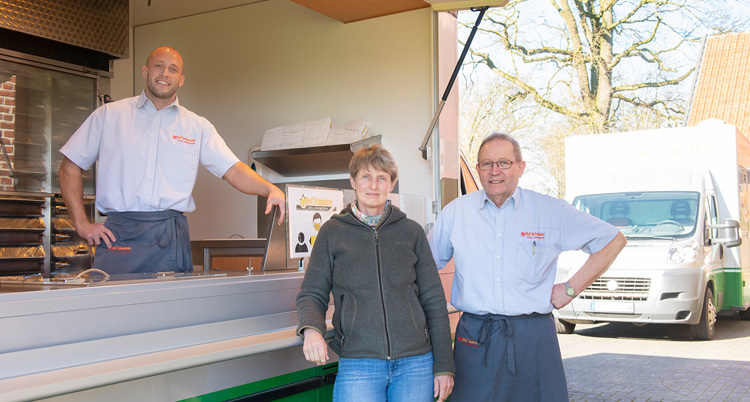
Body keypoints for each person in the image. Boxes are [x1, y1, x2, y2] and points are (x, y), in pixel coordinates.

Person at [428, 132, 626, 401]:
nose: (494, 171)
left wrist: (570, 289)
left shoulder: (550, 211)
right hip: (475, 338)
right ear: (477, 169)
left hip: (533, 338)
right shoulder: (456, 213)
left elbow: (613, 240)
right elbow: (424, 265)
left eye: (504, 163)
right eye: (486, 164)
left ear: (520, 167)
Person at [58, 46, 285, 275]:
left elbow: (233, 170)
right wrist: (82, 223)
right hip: (119, 235)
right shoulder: (109, 115)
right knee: (115, 307)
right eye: (159, 66)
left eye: (173, 69)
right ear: (146, 71)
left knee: (172, 309)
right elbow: (70, 166)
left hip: (170, 237)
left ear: (181, 79)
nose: (165, 73)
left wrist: (270, 189)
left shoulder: (197, 126)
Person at [296, 144, 455, 402]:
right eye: (366, 177)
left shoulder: (411, 232)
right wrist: (312, 329)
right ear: (353, 181)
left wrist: (444, 367)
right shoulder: (332, 232)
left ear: (391, 184)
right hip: (359, 364)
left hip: (415, 364)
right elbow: (312, 293)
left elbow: (434, 301)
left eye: (382, 178)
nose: (373, 185)